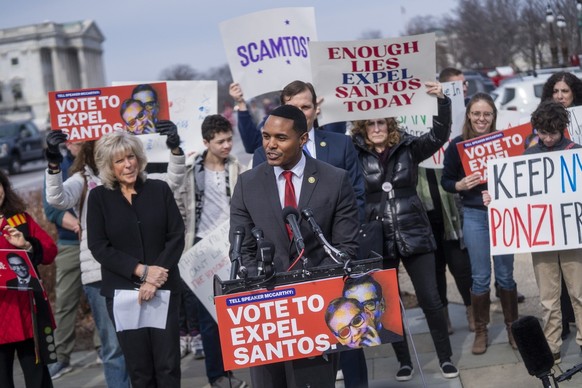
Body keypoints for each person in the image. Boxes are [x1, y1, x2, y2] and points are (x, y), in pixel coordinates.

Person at [231, 80, 368, 387]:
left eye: (281, 138)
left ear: (303, 138)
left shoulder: (334, 180)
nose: (270, 144)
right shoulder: (248, 183)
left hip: (316, 308)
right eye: (266, 136)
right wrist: (259, 278)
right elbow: (241, 248)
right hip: (266, 309)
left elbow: (347, 245)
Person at [351, 81, 459, 381]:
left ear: (390, 123)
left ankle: (446, 357)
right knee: (387, 304)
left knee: (431, 298)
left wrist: (441, 101)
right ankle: (404, 362)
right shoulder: (354, 154)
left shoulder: (409, 148)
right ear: (363, 126)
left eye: (381, 121)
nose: (376, 127)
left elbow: (439, 135)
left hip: (414, 231)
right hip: (377, 237)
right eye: (370, 123)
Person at [87, 131, 185, 387]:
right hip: (123, 295)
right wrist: (141, 271)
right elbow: (98, 246)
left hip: (163, 289)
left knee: (168, 366)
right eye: (119, 161)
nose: (128, 164)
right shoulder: (98, 198)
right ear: (109, 166)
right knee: (139, 370)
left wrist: (154, 278)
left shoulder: (159, 189)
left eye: (131, 157)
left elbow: (176, 236)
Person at [441, 92, 518, 355]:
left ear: (494, 116)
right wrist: (459, 185)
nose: (481, 118)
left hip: (503, 213)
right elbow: (446, 180)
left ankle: (512, 327)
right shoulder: (457, 145)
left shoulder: (504, 141)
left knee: (506, 273)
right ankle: (481, 330)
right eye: (476, 114)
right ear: (469, 116)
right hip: (474, 214)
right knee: (480, 276)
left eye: (487, 114)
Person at [175, 114, 247, 388]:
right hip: (202, 246)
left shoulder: (237, 167)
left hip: (233, 245)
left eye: (229, 139)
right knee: (208, 318)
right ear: (206, 142)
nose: (227, 145)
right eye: (221, 142)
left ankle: (237, 367)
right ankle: (218, 376)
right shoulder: (192, 171)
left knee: (236, 312)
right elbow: (181, 206)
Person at [516, 100, 582, 363]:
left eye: (552, 133)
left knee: (579, 293)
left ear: (563, 128)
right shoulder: (529, 156)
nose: (548, 138)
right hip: (542, 234)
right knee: (548, 297)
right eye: (543, 133)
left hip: (572, 234)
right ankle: (552, 345)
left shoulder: (576, 153)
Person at [43, 140, 96, 380]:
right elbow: (51, 208)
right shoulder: (62, 165)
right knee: (65, 301)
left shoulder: (99, 161)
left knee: (100, 297)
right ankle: (61, 356)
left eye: (82, 140)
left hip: (98, 243)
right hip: (70, 244)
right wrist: (77, 224)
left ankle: (103, 347)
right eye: (73, 139)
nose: (78, 143)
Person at [0, 170, 58, 388]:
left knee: (38, 377)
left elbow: (50, 251)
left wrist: (27, 245)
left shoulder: (20, 220)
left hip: (27, 312)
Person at [540, 71, 582, 340]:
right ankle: (562, 326)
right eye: (555, 91)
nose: (559, 96)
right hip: (551, 216)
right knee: (554, 284)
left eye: (564, 91)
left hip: (574, 208)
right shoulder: (538, 134)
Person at [343, 274, 402, 344]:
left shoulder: (397, 338)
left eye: (369, 304)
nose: (364, 314)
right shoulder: (340, 346)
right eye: (354, 307)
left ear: (382, 305)